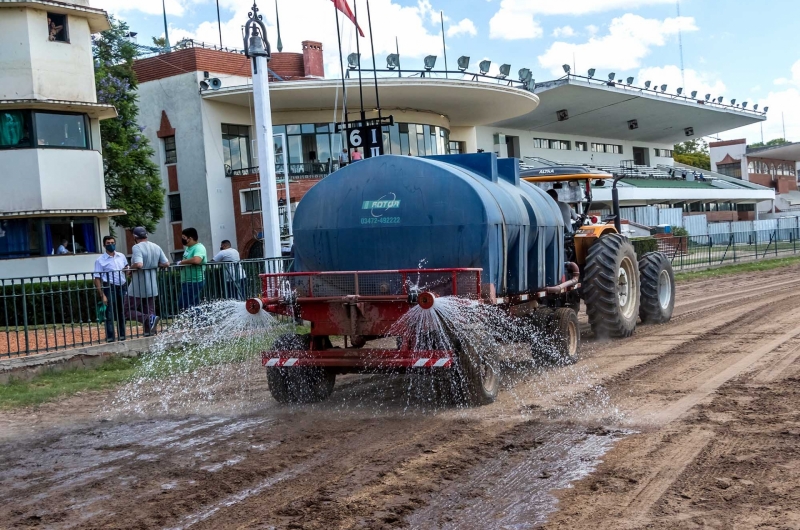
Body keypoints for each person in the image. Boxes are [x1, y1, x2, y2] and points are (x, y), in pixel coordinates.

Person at [126, 226, 169, 336]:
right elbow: (166, 263)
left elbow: (139, 264)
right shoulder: (156, 246)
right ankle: (150, 333)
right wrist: (155, 264)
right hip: (152, 284)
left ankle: (148, 319)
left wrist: (130, 269)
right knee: (149, 309)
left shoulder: (137, 247)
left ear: (135, 237)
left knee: (126, 310)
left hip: (138, 285)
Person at [93, 236, 129, 343]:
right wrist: (101, 294)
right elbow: (97, 278)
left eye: (112, 242)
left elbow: (127, 269)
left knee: (122, 312)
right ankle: (110, 337)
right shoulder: (100, 260)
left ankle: (122, 335)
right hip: (109, 287)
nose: (111, 244)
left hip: (122, 285)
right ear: (104, 245)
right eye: (108, 243)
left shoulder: (121, 256)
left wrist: (127, 271)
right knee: (109, 313)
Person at [176, 227, 207, 309]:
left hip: (194, 281)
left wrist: (182, 262)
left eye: (184, 238)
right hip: (188, 281)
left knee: (183, 304)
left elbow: (197, 260)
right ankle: (200, 321)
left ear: (190, 238)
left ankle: (201, 320)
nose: (182, 240)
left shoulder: (199, 248)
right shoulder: (188, 248)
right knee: (193, 305)